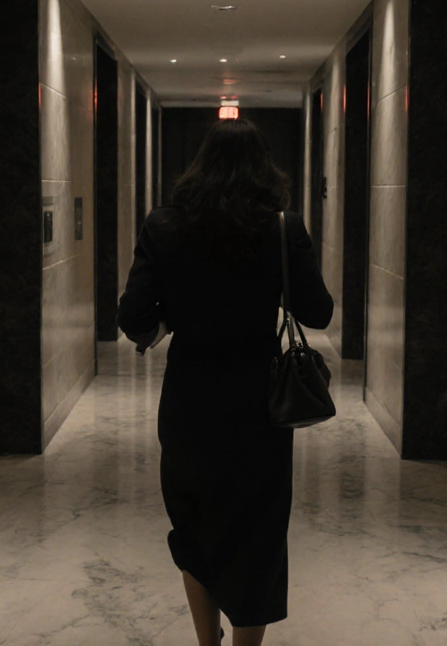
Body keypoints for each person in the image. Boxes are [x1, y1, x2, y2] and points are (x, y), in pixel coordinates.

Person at [118, 118, 333, 646]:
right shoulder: (282, 229)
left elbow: (133, 317)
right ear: (264, 170)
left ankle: (206, 641)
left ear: (199, 167)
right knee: (257, 532)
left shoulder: (163, 226)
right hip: (259, 405)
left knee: (193, 525)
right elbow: (319, 312)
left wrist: (172, 317)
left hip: (189, 401)